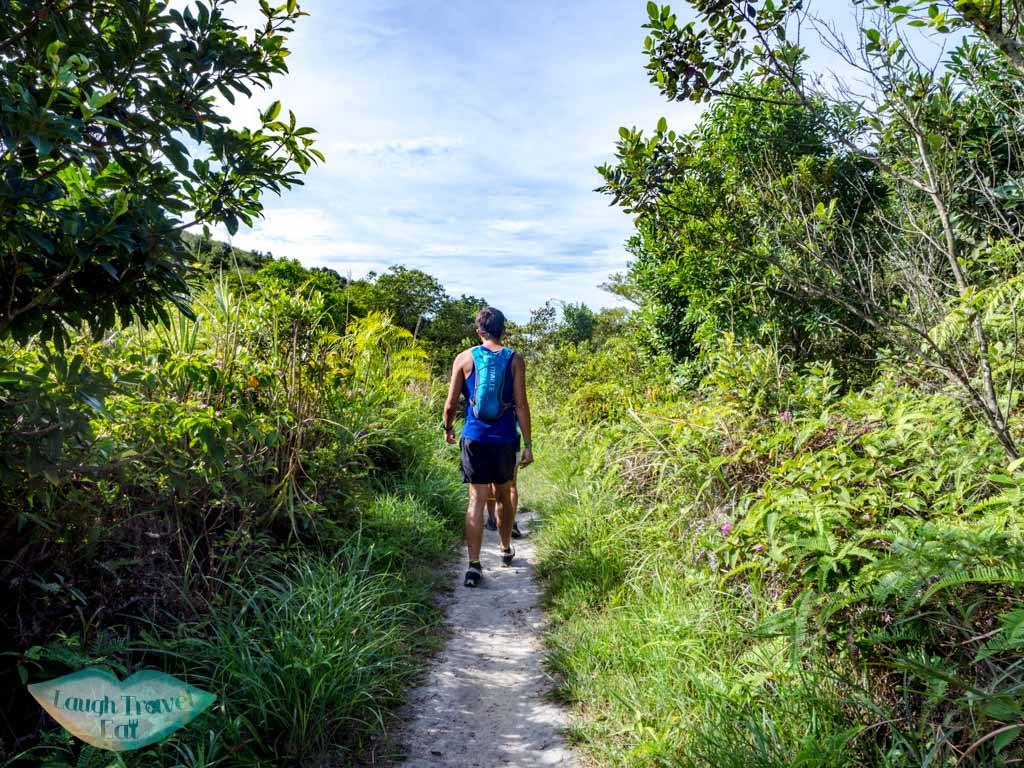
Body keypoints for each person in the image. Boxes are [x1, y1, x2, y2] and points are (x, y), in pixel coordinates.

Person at [443, 307, 533, 587]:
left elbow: (449, 405)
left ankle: (473, 566)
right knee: (504, 495)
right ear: (504, 330)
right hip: (505, 438)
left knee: (476, 500)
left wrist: (448, 428)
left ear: (478, 331)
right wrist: (528, 444)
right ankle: (505, 549)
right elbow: (521, 404)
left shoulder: (464, 357)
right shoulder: (514, 359)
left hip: (474, 437)